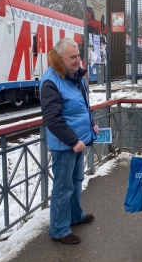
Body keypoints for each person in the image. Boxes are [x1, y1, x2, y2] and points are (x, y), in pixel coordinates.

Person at [40, 38, 99, 244]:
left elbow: (82, 106)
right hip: (65, 144)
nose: (77, 61)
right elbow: (52, 119)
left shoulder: (74, 76)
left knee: (75, 181)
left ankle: (75, 216)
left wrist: (91, 125)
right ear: (59, 58)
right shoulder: (51, 82)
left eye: (78, 56)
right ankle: (59, 229)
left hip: (78, 141)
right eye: (72, 57)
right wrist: (74, 141)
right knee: (63, 188)